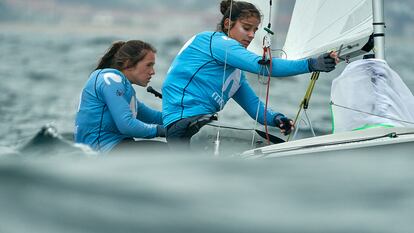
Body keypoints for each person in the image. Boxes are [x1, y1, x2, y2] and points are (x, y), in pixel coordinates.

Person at [162, 0, 338, 148]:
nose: (251, 35)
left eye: (255, 30)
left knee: (269, 142)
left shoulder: (235, 75)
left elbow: (256, 108)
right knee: (269, 145)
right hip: (185, 126)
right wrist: (312, 64)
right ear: (227, 24)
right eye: (246, 28)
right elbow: (263, 67)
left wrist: (277, 119)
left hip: (197, 128)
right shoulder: (214, 42)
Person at [75, 40, 165, 153]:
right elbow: (126, 125)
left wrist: (184, 118)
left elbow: (153, 117)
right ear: (129, 63)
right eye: (148, 65)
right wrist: (162, 131)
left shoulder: (120, 86)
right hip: (102, 152)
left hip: (115, 148)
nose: (152, 72)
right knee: (171, 152)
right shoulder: (111, 79)